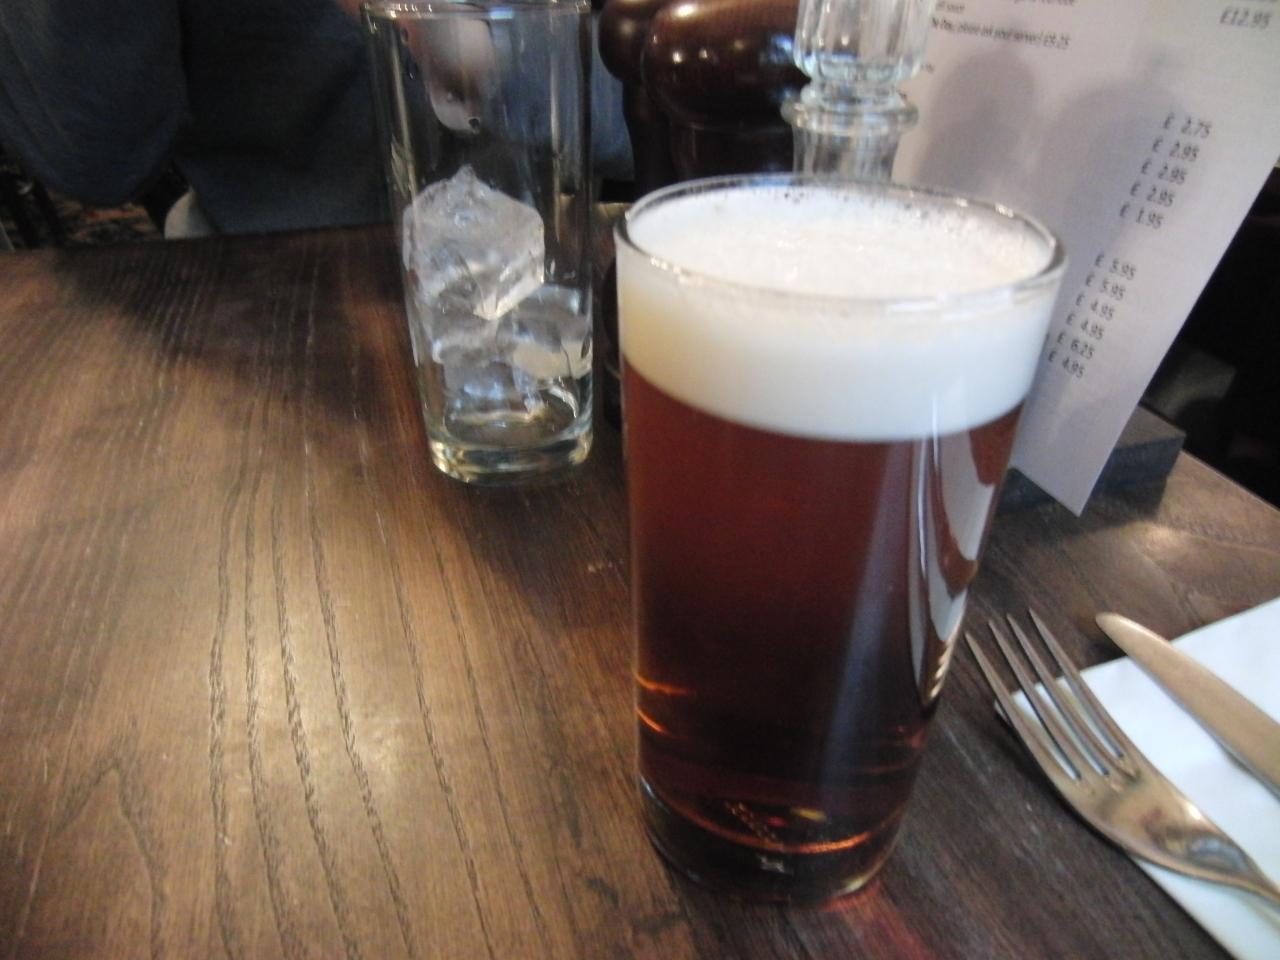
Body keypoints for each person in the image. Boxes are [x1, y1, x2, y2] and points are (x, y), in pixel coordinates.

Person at [0, 0, 628, 238]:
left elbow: (652, 102)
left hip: (548, 279)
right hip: (253, 295)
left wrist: (494, 54)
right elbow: (95, 159)